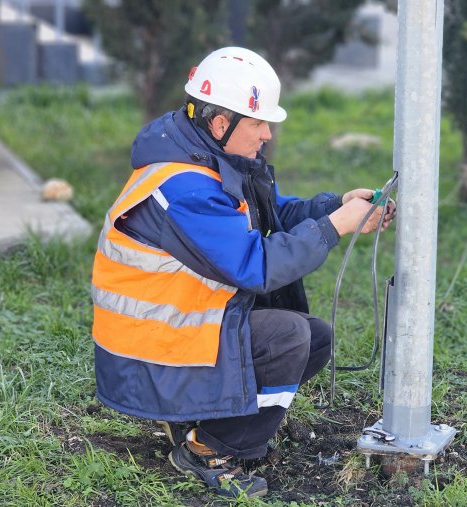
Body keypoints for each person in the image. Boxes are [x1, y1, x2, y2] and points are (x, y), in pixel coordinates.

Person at [90, 46, 395, 498]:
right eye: (258, 123)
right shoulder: (184, 187)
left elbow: (267, 214)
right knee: (289, 338)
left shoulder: (206, 156)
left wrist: (333, 207)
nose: (268, 134)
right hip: (149, 359)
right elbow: (257, 266)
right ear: (220, 123)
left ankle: (205, 421)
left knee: (315, 338)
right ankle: (206, 449)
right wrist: (335, 227)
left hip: (170, 341)